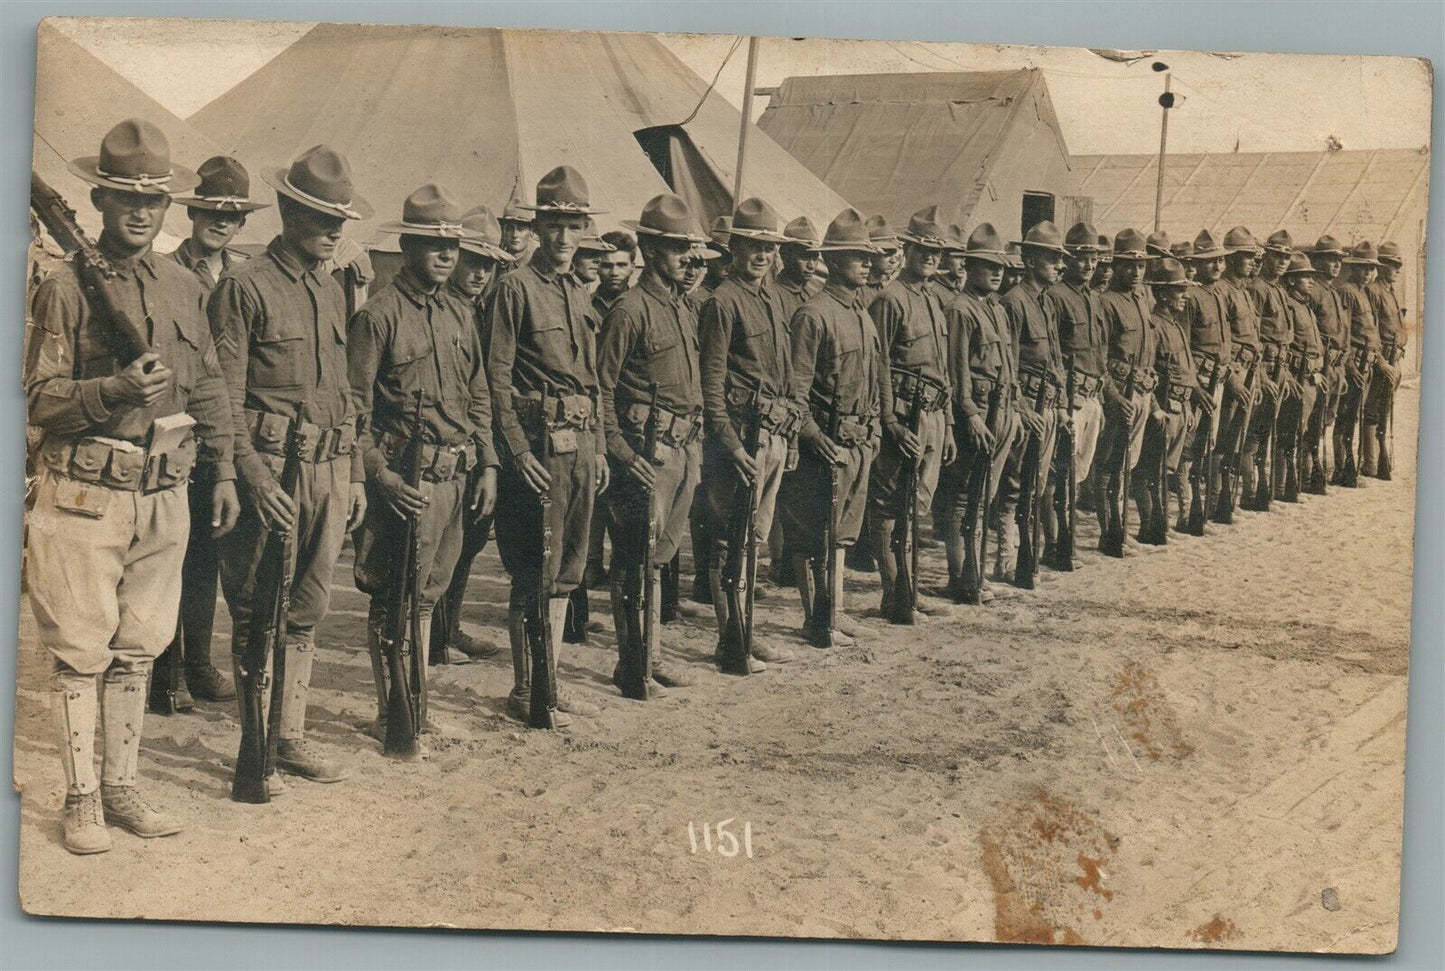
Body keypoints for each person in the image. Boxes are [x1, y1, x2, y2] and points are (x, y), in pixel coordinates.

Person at [27, 119, 239, 853]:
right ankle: (82, 797)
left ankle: (122, 786)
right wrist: (113, 387)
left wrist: (227, 469)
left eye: (153, 199)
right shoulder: (64, 286)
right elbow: (39, 398)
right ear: (100, 197)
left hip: (165, 488)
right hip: (86, 487)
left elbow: (209, 384)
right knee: (80, 649)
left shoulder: (184, 285)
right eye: (125, 198)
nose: (141, 212)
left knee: (139, 647)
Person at [212, 144, 370, 787]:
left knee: (306, 609)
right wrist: (249, 476)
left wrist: (356, 472)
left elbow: (346, 393)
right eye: (320, 216)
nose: (334, 229)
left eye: (340, 219)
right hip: (273, 471)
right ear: (286, 212)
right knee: (256, 609)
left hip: (329, 470)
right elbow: (221, 396)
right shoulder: (243, 287)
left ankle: (291, 736)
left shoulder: (333, 291)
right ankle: (255, 754)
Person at [348, 184, 498, 750]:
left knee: (429, 597)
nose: (445, 255)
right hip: (405, 485)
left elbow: (477, 393)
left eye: (453, 246)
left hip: (456, 477)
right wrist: (379, 476)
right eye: (433, 244)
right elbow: (354, 409)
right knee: (395, 597)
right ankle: (394, 714)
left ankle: (419, 705)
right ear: (407, 245)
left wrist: (487, 463)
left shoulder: (461, 312)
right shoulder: (378, 317)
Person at [487, 165, 610, 726]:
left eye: (573, 225)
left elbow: (594, 380)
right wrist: (517, 452)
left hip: (581, 444)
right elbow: (494, 377)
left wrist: (602, 447)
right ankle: (524, 688)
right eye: (554, 225)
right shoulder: (513, 288)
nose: (564, 237)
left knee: (566, 571)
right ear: (538, 228)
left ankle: (550, 682)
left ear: (584, 228)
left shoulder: (578, 293)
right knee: (533, 570)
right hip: (538, 447)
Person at [149, 156, 269, 715]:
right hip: (180, 434)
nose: (222, 223)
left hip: (232, 435)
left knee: (215, 555)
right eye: (211, 212)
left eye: (234, 216)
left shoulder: (246, 277)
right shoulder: (166, 273)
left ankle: (197, 663)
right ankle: (163, 671)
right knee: (174, 554)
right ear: (192, 212)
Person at [597, 193, 710, 697]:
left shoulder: (683, 309)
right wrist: (621, 453)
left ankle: (652, 655)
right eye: (674, 247)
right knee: (633, 559)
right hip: (646, 456)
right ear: (648, 247)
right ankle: (631, 663)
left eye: (689, 247)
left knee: (659, 560)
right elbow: (600, 388)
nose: (688, 256)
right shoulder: (630, 310)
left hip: (683, 451)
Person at [697, 197, 801, 673]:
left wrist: (792, 434)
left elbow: (785, 374)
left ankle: (746, 631)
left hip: (774, 434)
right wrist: (730, 443)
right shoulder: (723, 302)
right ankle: (729, 638)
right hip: (741, 438)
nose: (761, 255)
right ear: (734, 249)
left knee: (754, 539)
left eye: (768, 247)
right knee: (728, 540)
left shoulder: (773, 299)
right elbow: (712, 382)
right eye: (751, 246)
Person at [779, 209, 887, 647]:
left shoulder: (861, 313)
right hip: (825, 444)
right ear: (836, 260)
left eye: (868, 257)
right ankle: (815, 617)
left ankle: (835, 612)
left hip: (858, 443)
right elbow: (796, 390)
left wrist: (876, 428)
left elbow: (874, 378)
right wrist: (814, 438)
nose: (868, 264)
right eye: (858, 257)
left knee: (841, 534)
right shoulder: (814, 314)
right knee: (812, 534)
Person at [430, 205, 516, 664]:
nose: (481, 272)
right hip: (440, 446)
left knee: (467, 540)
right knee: (436, 547)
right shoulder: (435, 305)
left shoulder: (476, 308)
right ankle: (433, 636)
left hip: (477, 443)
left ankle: (449, 627)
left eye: (489, 264)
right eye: (473, 260)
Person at [866, 207, 955, 618]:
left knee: (916, 505)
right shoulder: (889, 299)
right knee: (889, 506)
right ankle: (894, 593)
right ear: (906, 249)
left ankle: (911, 588)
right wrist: (888, 422)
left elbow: (943, 370)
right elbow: (878, 364)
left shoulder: (934, 301)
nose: (930, 257)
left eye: (937, 251)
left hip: (934, 416)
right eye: (923, 249)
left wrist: (949, 424)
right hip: (903, 416)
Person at [940, 224, 1017, 603]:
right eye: (988, 265)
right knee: (961, 498)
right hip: (977, 411)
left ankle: (977, 574)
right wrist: (968, 413)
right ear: (969, 267)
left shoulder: (996, 310)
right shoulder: (959, 309)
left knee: (983, 496)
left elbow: (1006, 362)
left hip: (1000, 411)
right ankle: (961, 577)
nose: (997, 271)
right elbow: (956, 370)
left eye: (1000, 265)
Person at [995, 221, 1068, 581]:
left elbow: (1055, 359)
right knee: (1013, 487)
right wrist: (1022, 409)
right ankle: (1006, 560)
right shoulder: (1014, 303)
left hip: (1049, 405)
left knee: (1037, 485)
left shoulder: (1047, 303)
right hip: (1026, 408)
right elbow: (1006, 364)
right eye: (1053, 258)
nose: (1059, 265)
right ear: (1031, 260)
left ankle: (1027, 556)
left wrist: (1063, 405)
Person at [1042, 222, 1107, 566]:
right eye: (1082, 257)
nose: (1089, 264)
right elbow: (1053, 353)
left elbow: (1100, 351)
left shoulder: (1093, 299)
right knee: (1056, 474)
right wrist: (1063, 403)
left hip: (1091, 396)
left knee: (1078, 474)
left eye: (1094, 257)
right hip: (1069, 398)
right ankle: (1053, 545)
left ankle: (1067, 542)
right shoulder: (1056, 297)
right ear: (1069, 260)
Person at [1095, 229, 1158, 557]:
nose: (1135, 272)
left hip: (1142, 392)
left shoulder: (1142, 299)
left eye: (1141, 266)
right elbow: (1100, 358)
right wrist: (1113, 396)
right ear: (1115, 266)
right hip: (1119, 394)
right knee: (1108, 466)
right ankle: (1109, 533)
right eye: (1128, 266)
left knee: (1127, 465)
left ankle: (1121, 530)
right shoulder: (1105, 303)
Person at [1136, 258, 1200, 542]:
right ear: (1162, 294)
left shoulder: (1176, 325)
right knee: (1151, 469)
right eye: (1178, 290)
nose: (1184, 296)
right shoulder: (1154, 326)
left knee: (1168, 468)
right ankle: (1150, 526)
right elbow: (1151, 371)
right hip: (1165, 407)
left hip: (1182, 408)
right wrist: (1156, 409)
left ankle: (1160, 524)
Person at [1238, 230, 1299, 511]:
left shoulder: (1279, 290)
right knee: (1252, 435)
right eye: (1278, 256)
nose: (1283, 262)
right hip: (1262, 369)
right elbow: (1254, 336)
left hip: (1280, 368)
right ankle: (1250, 495)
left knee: (1266, 434)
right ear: (1267, 257)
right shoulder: (1257, 289)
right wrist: (1260, 375)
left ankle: (1264, 493)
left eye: (1287, 257)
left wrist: (1282, 373)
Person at [1177, 229, 1233, 530]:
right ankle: (1186, 512)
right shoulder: (1190, 296)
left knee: (1208, 444)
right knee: (1189, 448)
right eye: (1209, 261)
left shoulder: (1218, 294)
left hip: (1219, 379)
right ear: (1195, 264)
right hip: (1199, 381)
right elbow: (1182, 346)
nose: (1216, 266)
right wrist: (1194, 386)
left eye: (1220, 260)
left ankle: (1205, 508)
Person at [1211, 227, 1264, 523]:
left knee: (1239, 436)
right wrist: (1231, 377)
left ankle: (1228, 498)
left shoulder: (1243, 292)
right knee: (1223, 438)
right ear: (1230, 259)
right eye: (1245, 257)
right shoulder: (1221, 291)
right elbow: (1222, 339)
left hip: (1250, 371)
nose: (1251, 261)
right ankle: (1217, 499)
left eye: (1253, 256)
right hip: (1233, 372)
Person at [1332, 242, 1382, 487]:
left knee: (1355, 416)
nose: (1368, 273)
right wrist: (1350, 365)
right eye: (1363, 268)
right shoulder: (1346, 292)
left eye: (1372, 269)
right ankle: (1342, 469)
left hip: (1367, 363)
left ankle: (1351, 468)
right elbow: (1344, 331)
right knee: (1345, 418)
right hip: (1354, 364)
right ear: (1353, 269)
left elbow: (1371, 331)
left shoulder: (1365, 293)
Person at [1278, 253, 1326, 501]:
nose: (1310, 281)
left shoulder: (1306, 306)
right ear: (1292, 280)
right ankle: (1286, 486)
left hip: (1313, 375)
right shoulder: (1289, 306)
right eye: (1304, 276)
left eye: (1310, 276)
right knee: (1292, 432)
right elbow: (1286, 345)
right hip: (1298, 375)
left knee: (1308, 430)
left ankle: (1302, 480)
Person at [1306, 236, 1350, 490]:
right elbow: (1311, 332)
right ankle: (1309, 471)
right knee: (1315, 419)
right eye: (1330, 259)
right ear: (1318, 261)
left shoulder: (1333, 292)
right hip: (1322, 365)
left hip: (1337, 367)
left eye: (1338, 260)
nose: (1335, 265)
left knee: (1328, 418)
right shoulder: (1313, 292)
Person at [1364, 241, 1406, 477]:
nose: (1397, 269)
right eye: (1393, 264)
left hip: (1395, 358)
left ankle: (1380, 459)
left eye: (1399, 264)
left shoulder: (1391, 293)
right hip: (1381, 362)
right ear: (1381, 266)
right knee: (1372, 411)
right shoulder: (1373, 292)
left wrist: (1399, 353)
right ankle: (1370, 462)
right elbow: (1371, 330)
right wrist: (1381, 361)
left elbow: (1398, 328)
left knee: (1384, 411)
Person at [499, 198, 535, 267]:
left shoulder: (537, 267)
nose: (514, 234)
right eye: (509, 228)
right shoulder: (494, 265)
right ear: (503, 231)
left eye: (520, 229)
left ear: (531, 233)